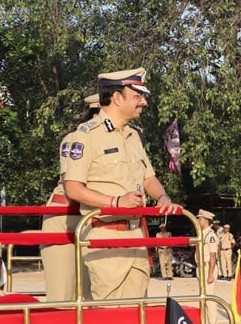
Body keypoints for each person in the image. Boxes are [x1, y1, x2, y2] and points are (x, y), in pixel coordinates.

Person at [63, 68, 179, 300]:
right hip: (106, 236)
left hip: (137, 235)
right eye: (137, 96)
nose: (144, 102)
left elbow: (148, 178)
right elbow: (73, 188)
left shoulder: (133, 135)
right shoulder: (85, 136)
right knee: (110, 313)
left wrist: (162, 197)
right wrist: (115, 202)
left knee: (138, 312)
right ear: (117, 97)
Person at [42, 93, 100, 302]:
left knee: (93, 292)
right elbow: (70, 183)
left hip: (94, 217)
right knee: (63, 293)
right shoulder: (77, 138)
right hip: (66, 215)